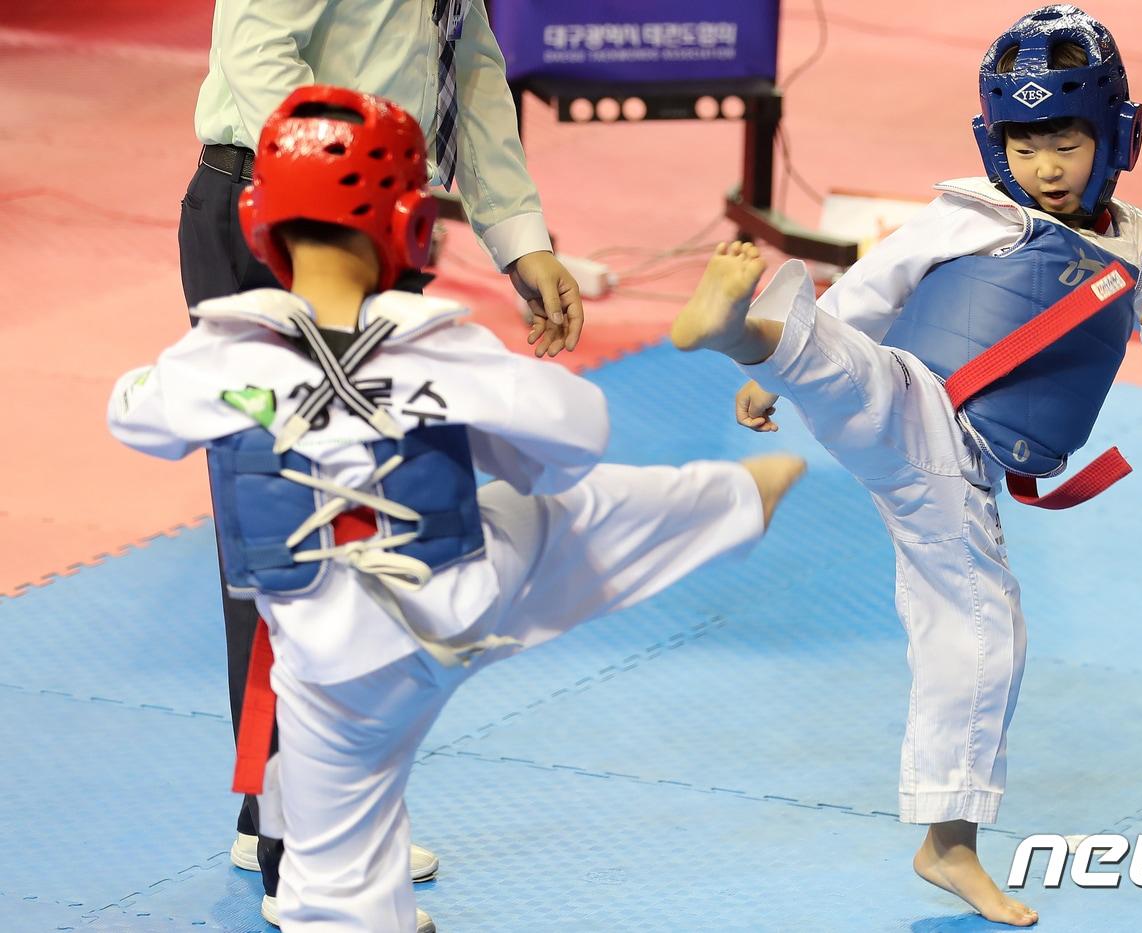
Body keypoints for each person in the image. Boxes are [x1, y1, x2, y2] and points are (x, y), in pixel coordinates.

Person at [116, 85, 805, 931]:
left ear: (260, 222)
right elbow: (581, 430)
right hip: (461, 596)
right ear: (413, 227)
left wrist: (238, 390)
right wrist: (463, 427)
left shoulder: (223, 352)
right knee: (559, 512)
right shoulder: (435, 341)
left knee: (328, 891)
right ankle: (737, 497)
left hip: (328, 671)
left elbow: (131, 414)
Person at [670, 6, 1142, 925]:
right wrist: (775, 375)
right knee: (861, 378)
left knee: (984, 635)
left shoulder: (1139, 246)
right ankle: (747, 331)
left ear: (1116, 136)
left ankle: (947, 844)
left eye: (1064, 141)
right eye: (1024, 146)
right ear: (992, 144)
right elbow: (866, 291)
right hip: (918, 397)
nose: (1044, 167)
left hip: (963, 473)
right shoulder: (968, 215)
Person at [177, 0, 583, 909]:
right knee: (295, 539)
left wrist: (523, 241)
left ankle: (296, 816)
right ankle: (307, 858)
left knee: (369, 532)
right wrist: (325, 200)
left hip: (369, 229)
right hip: (281, 222)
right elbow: (253, 40)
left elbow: (465, 66)